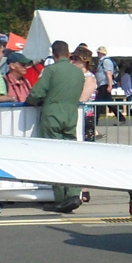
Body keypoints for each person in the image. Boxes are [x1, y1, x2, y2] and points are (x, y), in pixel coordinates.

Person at [26, 41, 87, 214]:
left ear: (54, 54)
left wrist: (32, 101)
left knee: (53, 156)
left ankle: (61, 198)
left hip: (52, 115)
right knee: (70, 155)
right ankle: (74, 193)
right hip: (70, 115)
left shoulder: (51, 70)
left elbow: (36, 93)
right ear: (68, 54)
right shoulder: (78, 73)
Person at [95, 46, 125, 121]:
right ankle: (121, 118)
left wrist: (109, 85)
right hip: (102, 84)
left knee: (98, 103)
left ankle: (95, 120)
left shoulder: (106, 61)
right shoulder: (102, 61)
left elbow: (109, 73)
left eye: (98, 52)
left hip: (104, 84)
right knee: (109, 103)